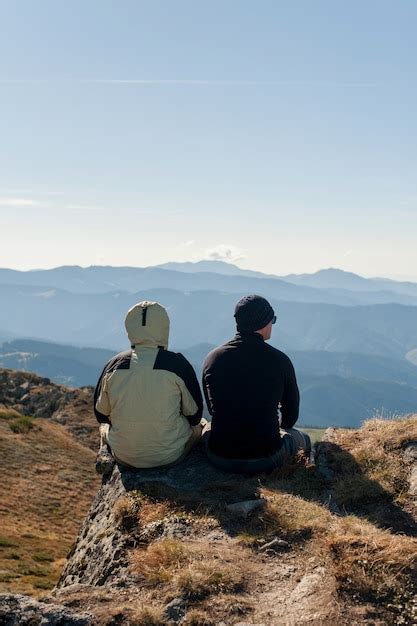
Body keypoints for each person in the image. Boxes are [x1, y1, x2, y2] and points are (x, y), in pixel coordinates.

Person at [202, 294, 310, 474]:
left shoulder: (212, 359)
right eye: (272, 320)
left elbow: (213, 410)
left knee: (206, 427)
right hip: (267, 458)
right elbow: (290, 417)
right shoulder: (280, 361)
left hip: (220, 457)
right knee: (303, 438)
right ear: (264, 323)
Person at [94, 300, 204, 472]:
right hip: (169, 455)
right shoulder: (177, 365)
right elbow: (194, 415)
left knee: (104, 428)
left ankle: (105, 454)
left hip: (124, 455)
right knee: (201, 427)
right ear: (164, 328)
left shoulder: (113, 365)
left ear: (129, 327)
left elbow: (101, 414)